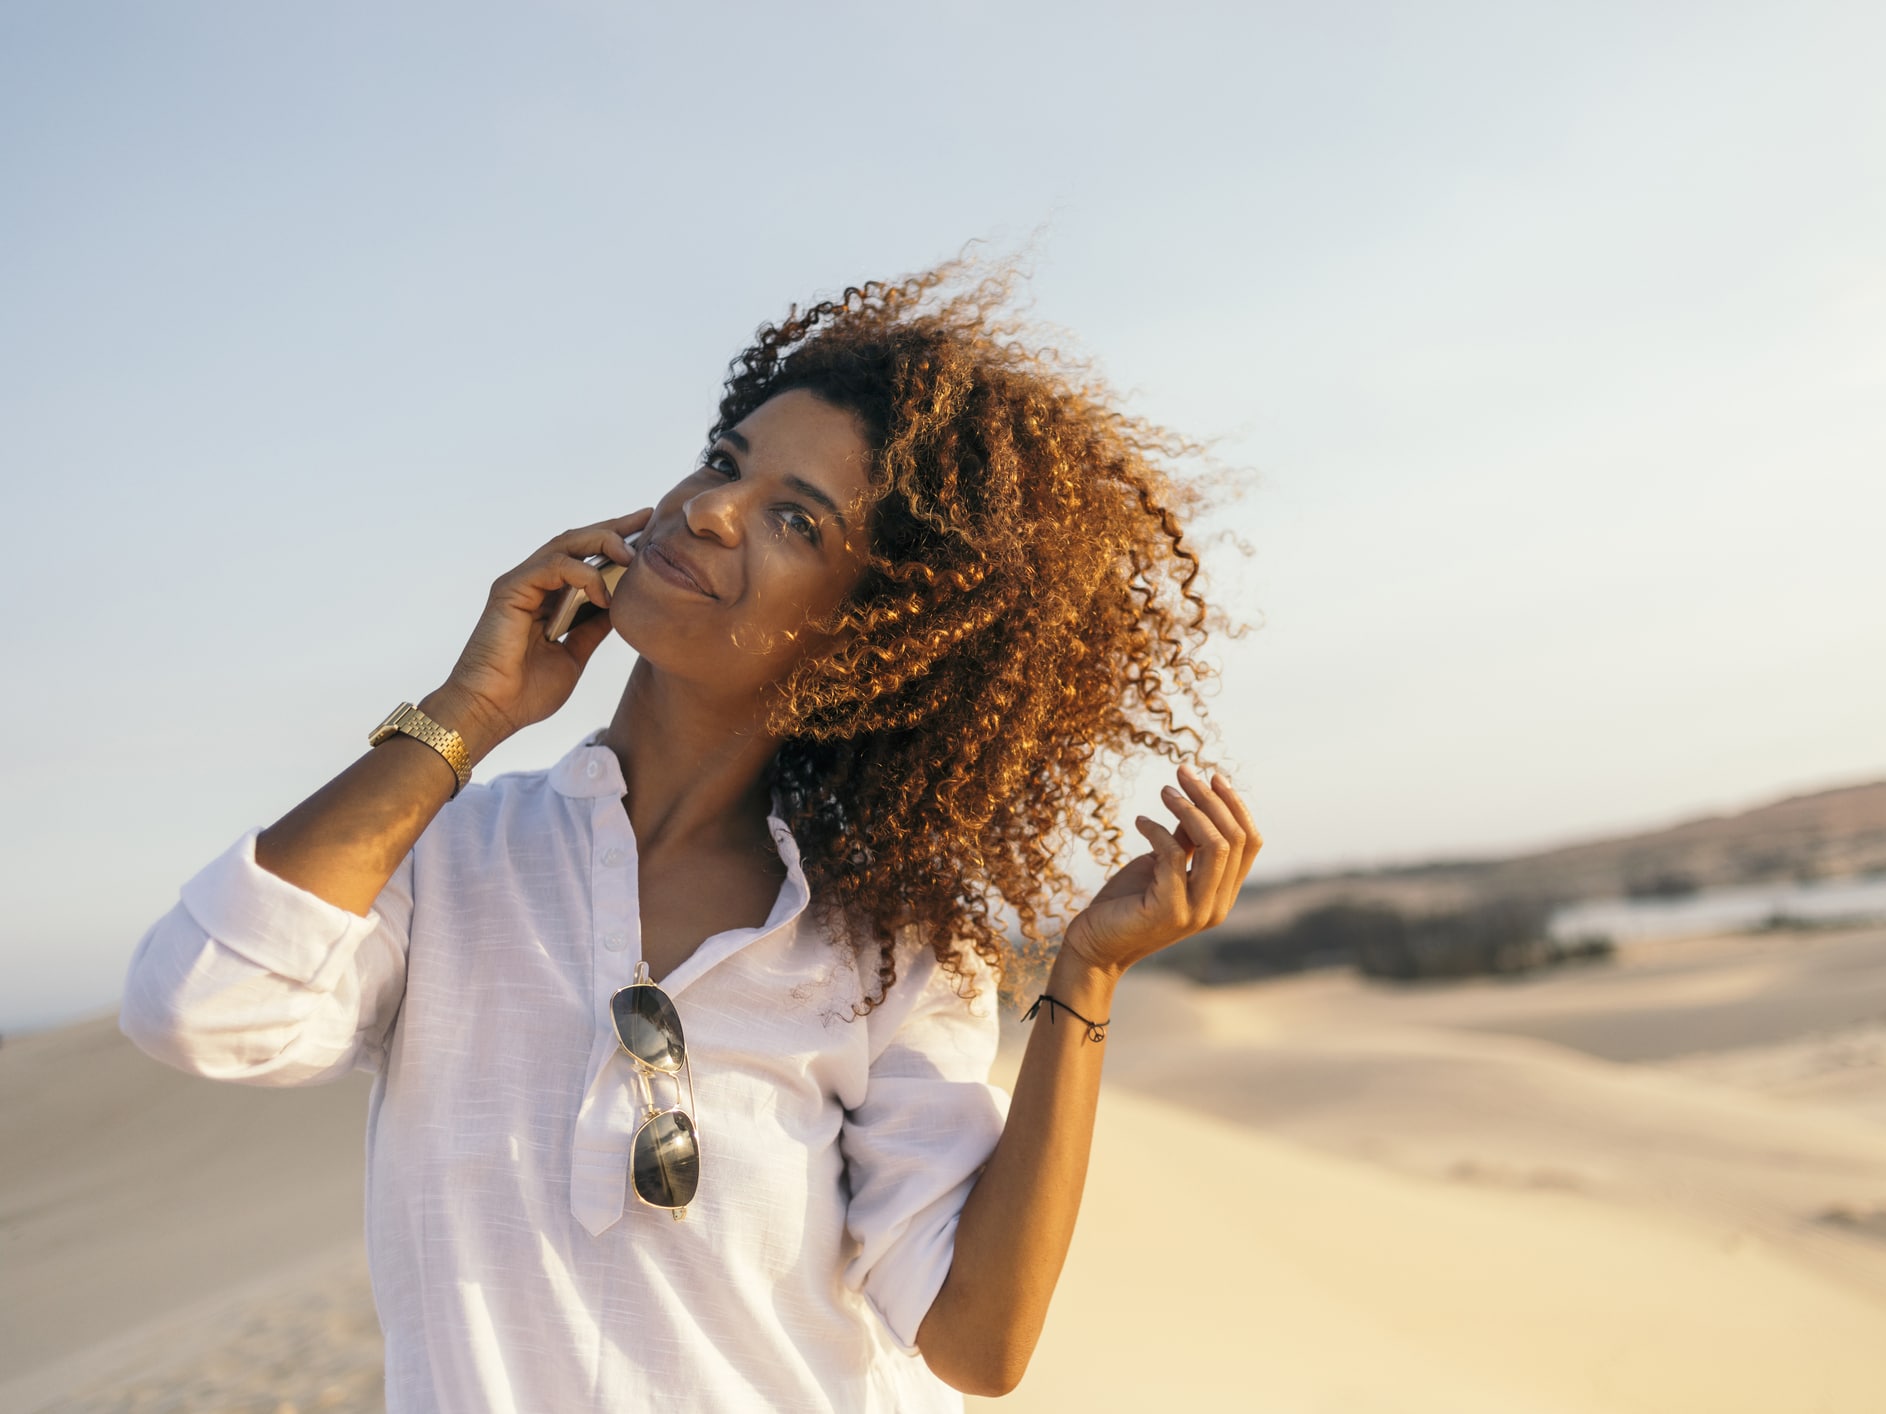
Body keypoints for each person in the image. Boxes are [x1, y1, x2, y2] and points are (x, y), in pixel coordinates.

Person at [119, 260, 1263, 1412]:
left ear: (866, 634)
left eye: (794, 519)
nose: (708, 510)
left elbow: (976, 1342)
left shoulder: (885, 943)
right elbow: (203, 1008)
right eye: (725, 459)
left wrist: (1086, 974)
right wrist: (468, 713)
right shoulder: (449, 856)